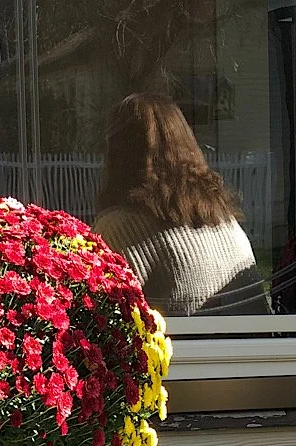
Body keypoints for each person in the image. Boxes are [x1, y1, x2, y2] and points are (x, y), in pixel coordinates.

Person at [93, 92, 270, 317]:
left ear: (117, 154)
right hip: (258, 350)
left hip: (190, 352)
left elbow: (101, 322)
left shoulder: (118, 227)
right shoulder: (223, 220)